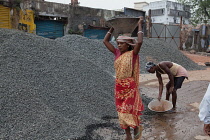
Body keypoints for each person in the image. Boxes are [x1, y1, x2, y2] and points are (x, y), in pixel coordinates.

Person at [103, 17, 144, 140]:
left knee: (129, 111)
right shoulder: (116, 53)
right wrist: (113, 28)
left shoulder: (133, 54)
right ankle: (128, 136)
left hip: (129, 87)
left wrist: (139, 25)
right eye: (118, 43)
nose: (119, 45)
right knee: (121, 113)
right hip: (119, 87)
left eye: (122, 43)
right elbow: (105, 41)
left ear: (128, 45)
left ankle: (136, 129)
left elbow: (140, 42)